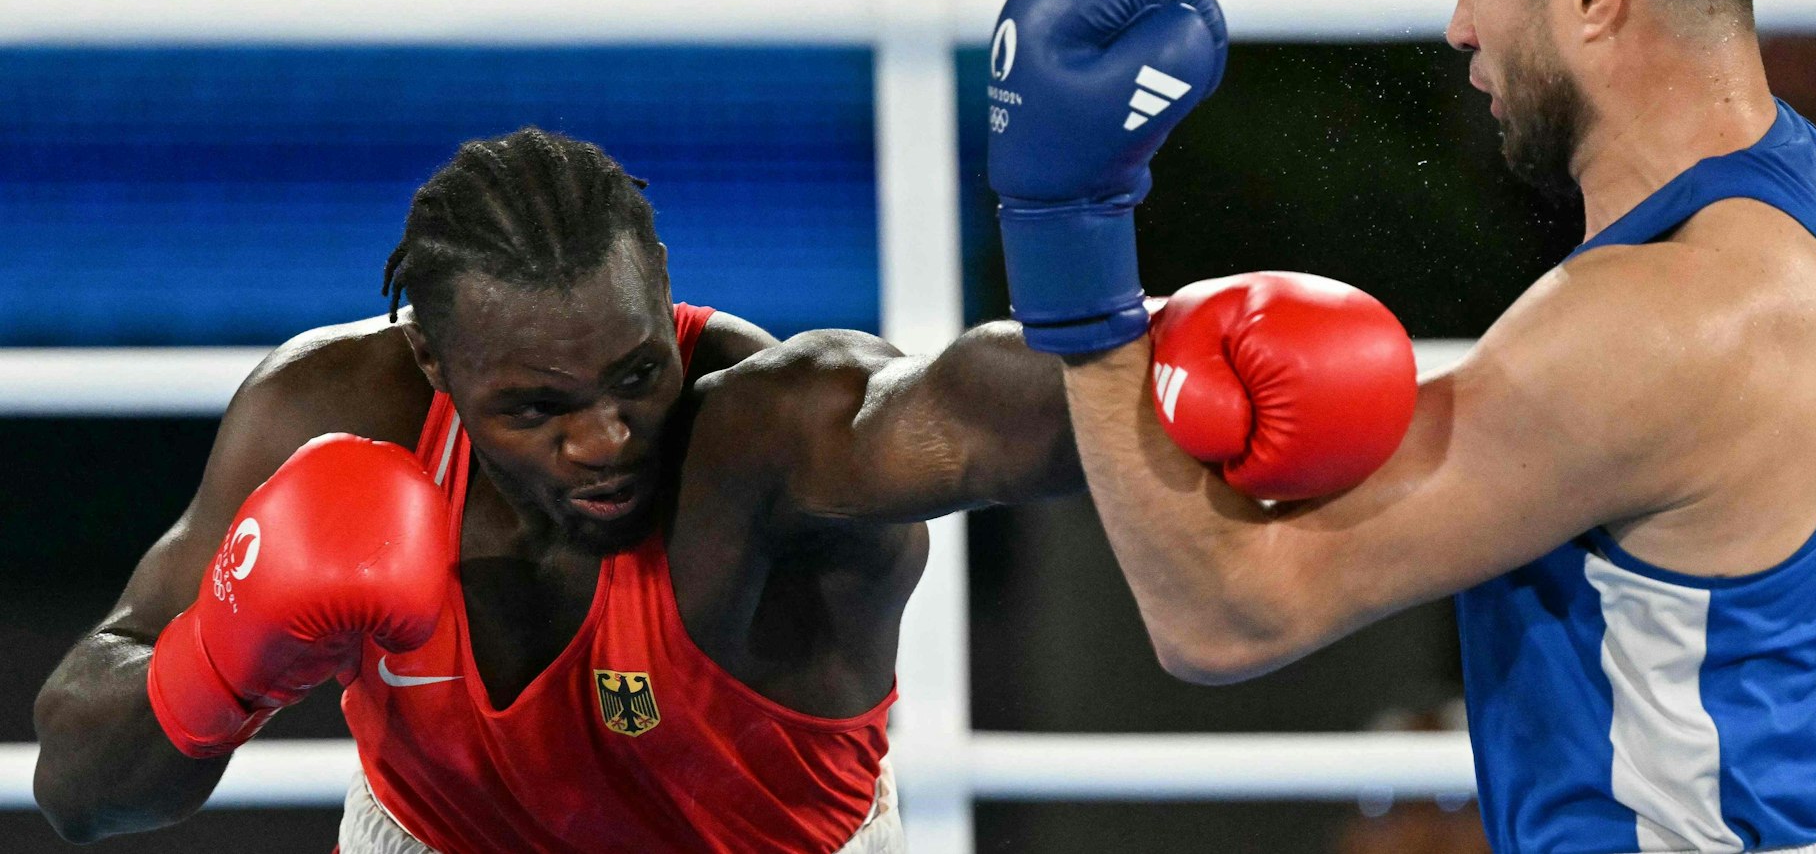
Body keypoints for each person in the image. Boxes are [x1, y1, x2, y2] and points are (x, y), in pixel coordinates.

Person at [986, 0, 1816, 853]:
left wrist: (1072, 250)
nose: (1457, 24)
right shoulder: (1811, 196)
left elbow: (1224, 613)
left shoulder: (1649, 320)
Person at [33, 128, 1083, 853]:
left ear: (662, 285)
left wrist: (1152, 357)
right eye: (538, 408)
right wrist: (219, 659)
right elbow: (80, 796)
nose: (605, 438)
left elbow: (966, 420)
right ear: (435, 363)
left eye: (634, 374)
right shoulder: (336, 411)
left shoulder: (766, 430)